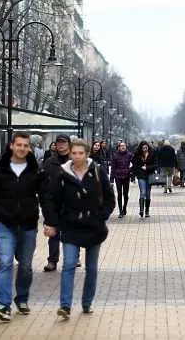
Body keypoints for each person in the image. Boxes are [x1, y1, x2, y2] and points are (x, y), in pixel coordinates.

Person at [0, 133, 46, 321]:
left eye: (26, 145)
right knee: (5, 263)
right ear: (12, 146)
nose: (22, 148)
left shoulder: (35, 170)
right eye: (19, 145)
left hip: (28, 225)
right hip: (5, 224)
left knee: (26, 266)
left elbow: (45, 198)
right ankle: (3, 305)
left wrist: (51, 221)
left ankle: (21, 299)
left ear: (29, 148)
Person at [43, 139, 115, 319]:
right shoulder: (63, 174)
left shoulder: (97, 172)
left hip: (93, 227)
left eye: (80, 153)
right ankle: (65, 306)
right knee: (68, 264)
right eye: (74, 153)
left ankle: (86, 303)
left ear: (87, 154)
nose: (77, 156)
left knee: (91, 268)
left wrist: (101, 215)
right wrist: (53, 221)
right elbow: (52, 199)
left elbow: (109, 198)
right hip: (70, 227)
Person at [42, 134, 71, 272]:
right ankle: (52, 260)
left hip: (70, 204)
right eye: (59, 143)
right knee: (53, 233)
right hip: (53, 204)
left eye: (63, 143)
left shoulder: (75, 160)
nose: (61, 145)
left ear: (68, 144)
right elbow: (43, 183)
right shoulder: (49, 162)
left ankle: (72, 258)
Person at [131, 141, 156, 218]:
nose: (145, 149)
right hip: (141, 176)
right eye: (143, 148)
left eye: (146, 147)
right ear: (141, 148)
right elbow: (134, 165)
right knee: (143, 192)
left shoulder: (152, 154)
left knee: (148, 194)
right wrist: (137, 172)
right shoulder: (137, 155)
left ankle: (147, 211)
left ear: (148, 147)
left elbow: (156, 165)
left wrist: (147, 167)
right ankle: (141, 210)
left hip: (150, 175)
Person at [110, 141, 133, 218]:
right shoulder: (115, 155)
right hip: (118, 176)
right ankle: (120, 211)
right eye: (121, 146)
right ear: (119, 147)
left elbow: (134, 163)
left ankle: (124, 208)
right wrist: (111, 180)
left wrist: (130, 171)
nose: (123, 147)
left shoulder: (129, 155)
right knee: (119, 194)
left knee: (125, 194)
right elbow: (113, 168)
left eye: (124, 146)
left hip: (126, 176)